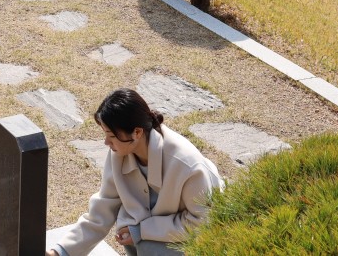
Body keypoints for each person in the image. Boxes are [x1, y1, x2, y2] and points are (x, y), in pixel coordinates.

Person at [48, 89, 223, 256]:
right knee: (136, 233)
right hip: (161, 228)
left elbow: (203, 222)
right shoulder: (119, 153)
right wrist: (61, 251)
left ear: (137, 132)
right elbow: (103, 209)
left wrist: (143, 231)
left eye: (111, 135)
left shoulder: (186, 164)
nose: (106, 142)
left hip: (204, 234)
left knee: (149, 246)